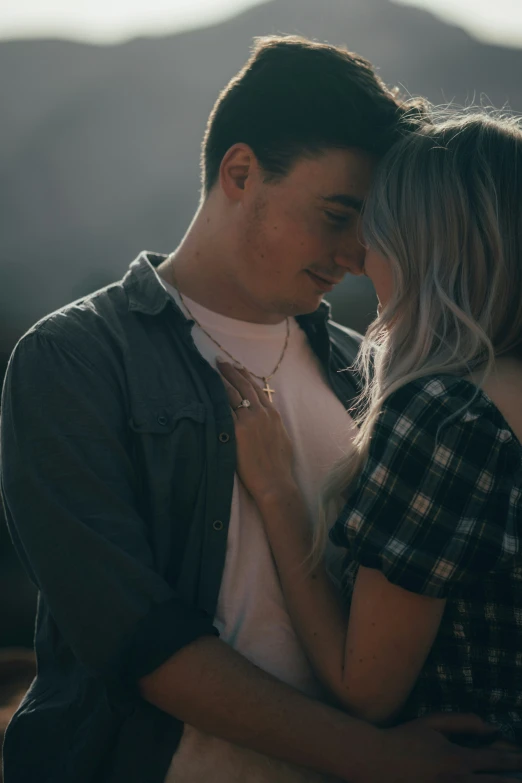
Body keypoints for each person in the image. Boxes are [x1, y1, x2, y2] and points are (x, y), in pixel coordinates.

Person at [1, 35, 520, 783]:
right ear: (240, 172)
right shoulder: (76, 358)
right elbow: (134, 636)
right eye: (336, 213)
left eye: (367, 224)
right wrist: (374, 755)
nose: (353, 253)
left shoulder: (371, 372)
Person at [217, 109, 522, 776]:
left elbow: (366, 690)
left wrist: (276, 491)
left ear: (429, 247)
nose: (358, 257)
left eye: (376, 230)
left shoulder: (444, 415)